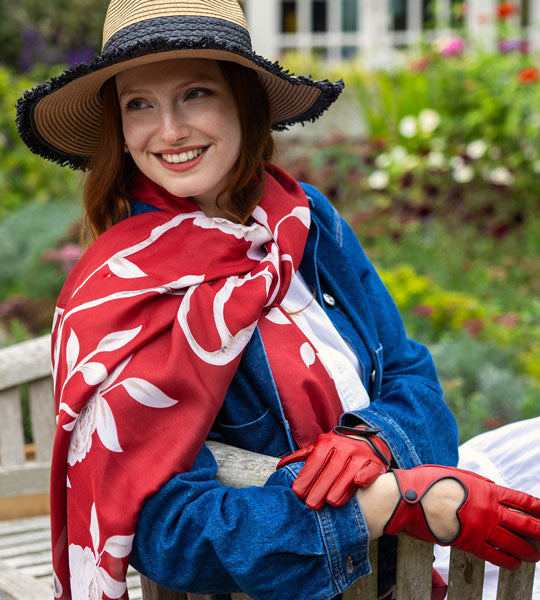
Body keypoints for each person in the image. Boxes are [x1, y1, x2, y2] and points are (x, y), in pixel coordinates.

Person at [16, 1, 540, 599]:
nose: (169, 130)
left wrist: (372, 440)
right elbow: (164, 531)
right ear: (119, 127)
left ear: (245, 101)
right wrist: (384, 503)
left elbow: (407, 369)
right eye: (139, 104)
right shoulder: (120, 292)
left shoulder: (305, 219)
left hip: (411, 568)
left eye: (195, 93)